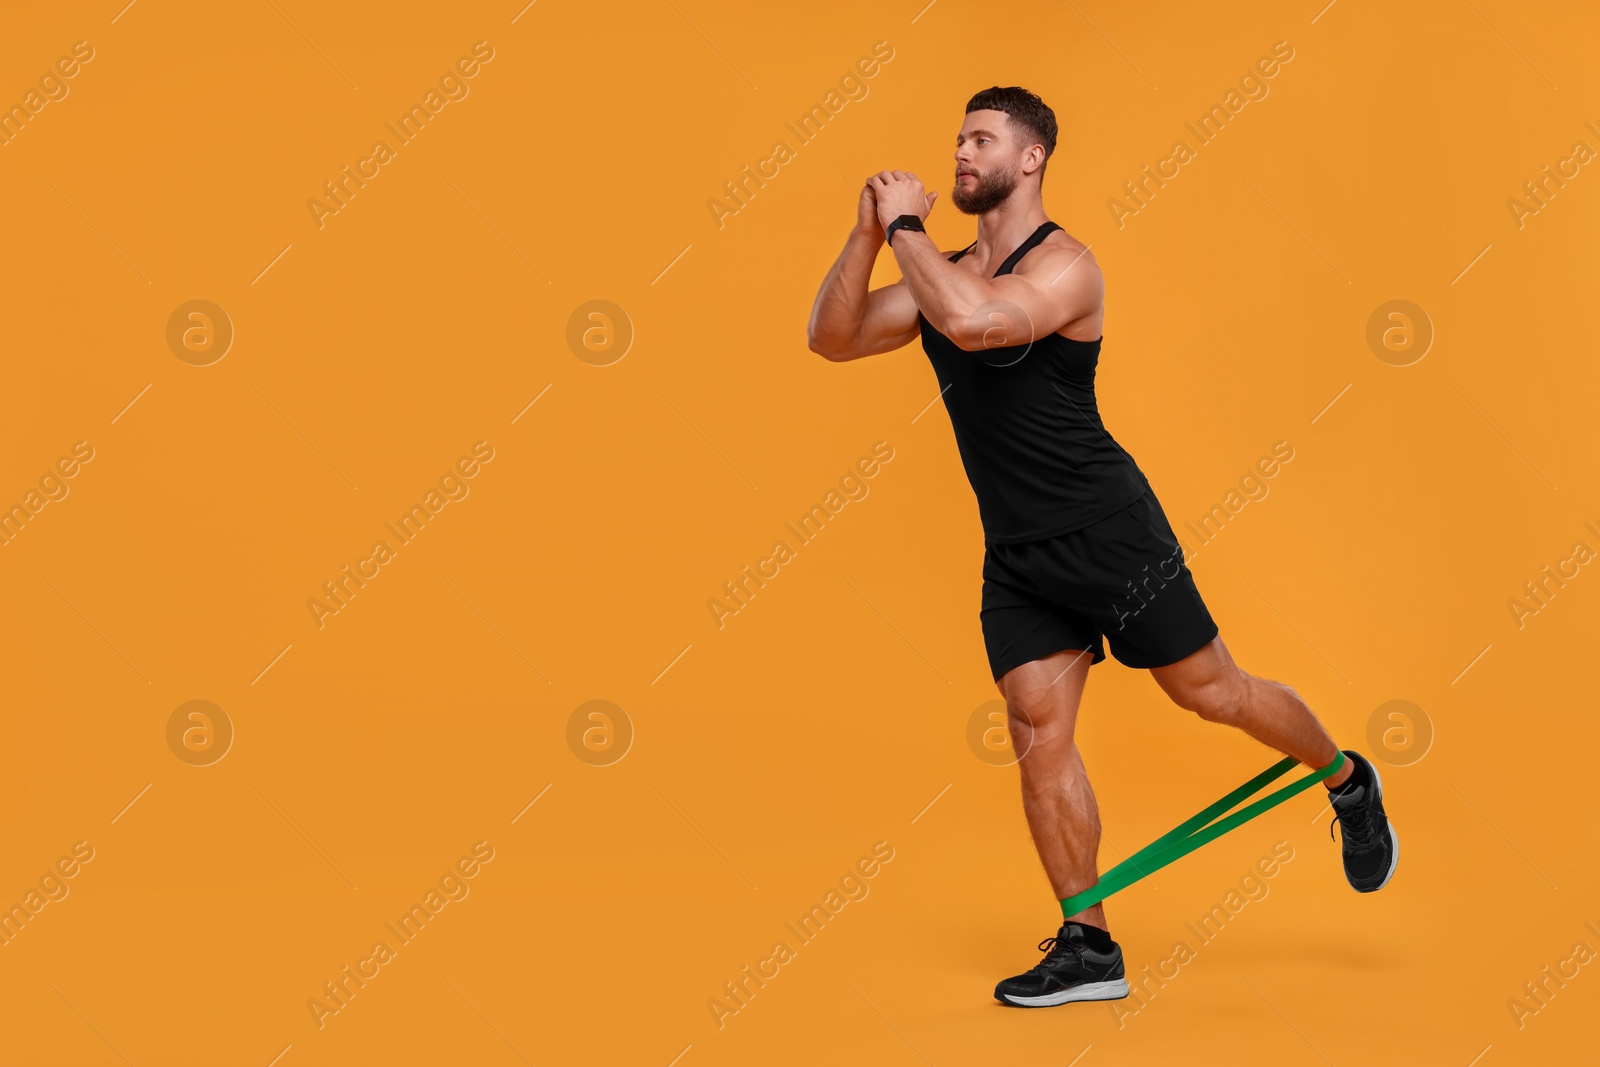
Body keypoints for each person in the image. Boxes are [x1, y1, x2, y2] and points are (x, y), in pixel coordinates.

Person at [805, 85, 1397, 1008]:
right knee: (1037, 735)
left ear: (1031, 157)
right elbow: (832, 338)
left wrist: (909, 225)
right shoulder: (939, 266)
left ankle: (1347, 779)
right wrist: (867, 235)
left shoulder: (1067, 267)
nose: (960, 152)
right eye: (957, 138)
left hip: (1111, 533)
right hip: (1019, 554)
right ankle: (1090, 946)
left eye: (982, 139)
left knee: (1216, 693)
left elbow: (973, 321)